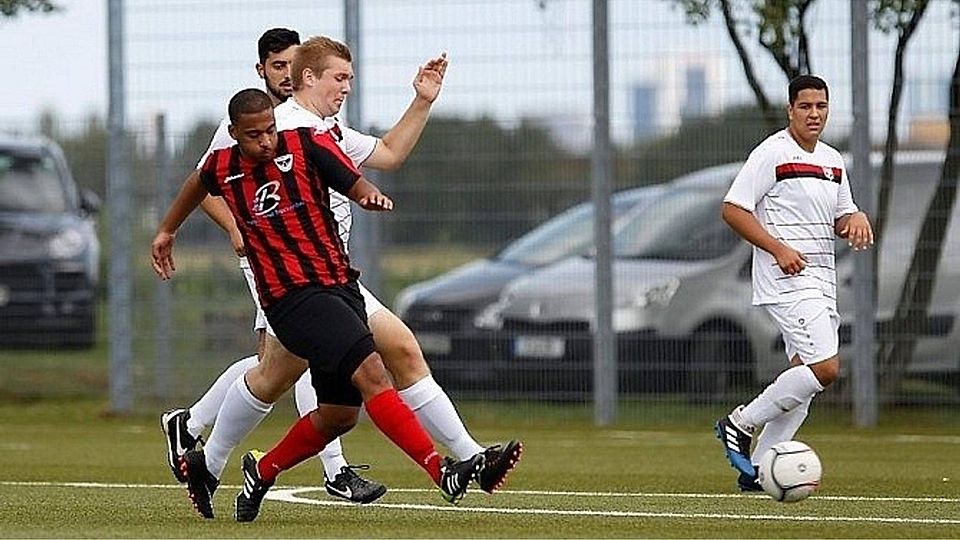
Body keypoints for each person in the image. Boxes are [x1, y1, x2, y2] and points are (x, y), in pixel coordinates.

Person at [160, 30, 522, 512]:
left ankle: (214, 451)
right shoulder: (280, 126)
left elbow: (389, 156)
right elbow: (207, 176)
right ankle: (444, 464)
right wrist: (232, 230)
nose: (347, 86)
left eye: (349, 77)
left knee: (289, 378)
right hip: (289, 278)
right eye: (340, 77)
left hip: (334, 275)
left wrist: (422, 100)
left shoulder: (323, 130)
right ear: (308, 77)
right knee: (357, 364)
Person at [714, 74, 874, 491]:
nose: (814, 114)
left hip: (822, 280)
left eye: (821, 106)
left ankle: (763, 469)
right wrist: (777, 248)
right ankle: (740, 422)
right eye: (805, 106)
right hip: (785, 280)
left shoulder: (833, 160)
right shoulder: (773, 153)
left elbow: (840, 216)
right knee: (826, 368)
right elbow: (733, 209)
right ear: (791, 110)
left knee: (804, 374)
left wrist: (854, 218)